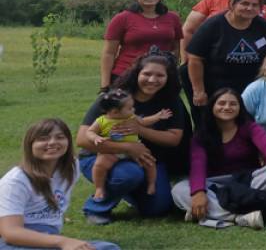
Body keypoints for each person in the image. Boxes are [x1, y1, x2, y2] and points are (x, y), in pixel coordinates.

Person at [77, 54, 189, 225]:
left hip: (147, 159)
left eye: (160, 75)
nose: (152, 80)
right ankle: (96, 207)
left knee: (157, 208)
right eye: (147, 74)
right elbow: (83, 140)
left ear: (168, 78)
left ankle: (128, 191)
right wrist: (128, 148)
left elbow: (174, 139)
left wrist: (140, 130)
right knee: (128, 175)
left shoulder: (171, 101)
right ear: (136, 73)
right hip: (102, 157)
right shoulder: (114, 98)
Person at [172, 88, 266, 229]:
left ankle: (208, 214)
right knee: (179, 189)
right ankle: (239, 217)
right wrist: (198, 192)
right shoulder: (201, 135)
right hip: (215, 185)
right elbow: (198, 165)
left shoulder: (249, 128)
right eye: (221, 103)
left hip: (248, 182)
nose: (227, 107)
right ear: (212, 107)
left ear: (240, 108)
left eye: (233, 104)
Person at [0, 119, 119, 250]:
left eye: (60, 137)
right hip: (14, 242)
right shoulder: (15, 182)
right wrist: (62, 242)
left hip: (48, 237)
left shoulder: (71, 168)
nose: (52, 142)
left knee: (108, 248)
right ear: (30, 145)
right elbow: (11, 233)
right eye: (43, 138)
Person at [186, 0, 266, 113]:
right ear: (232, 4)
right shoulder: (213, 25)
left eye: (255, 5)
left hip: (255, 84)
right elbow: (195, 58)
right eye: (245, 4)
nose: (249, 8)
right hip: (218, 84)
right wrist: (198, 91)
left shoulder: (264, 26)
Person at [84, 89, 171, 201]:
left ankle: (151, 184)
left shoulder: (132, 117)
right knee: (100, 165)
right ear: (115, 112)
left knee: (150, 162)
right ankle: (99, 188)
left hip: (134, 151)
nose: (133, 110)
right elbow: (89, 132)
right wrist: (95, 137)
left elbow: (144, 121)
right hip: (112, 152)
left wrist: (157, 117)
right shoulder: (101, 121)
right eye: (130, 108)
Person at [100, 0, 183, 92]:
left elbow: (176, 47)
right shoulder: (122, 18)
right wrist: (105, 86)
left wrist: (170, 68)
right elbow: (109, 53)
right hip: (126, 76)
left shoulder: (173, 18)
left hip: (159, 78)